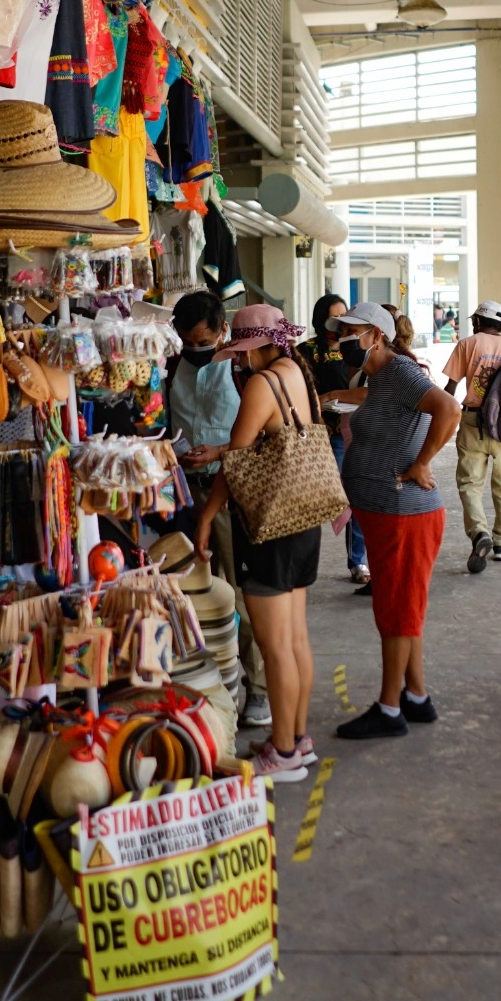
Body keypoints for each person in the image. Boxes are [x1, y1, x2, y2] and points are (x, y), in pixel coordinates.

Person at [196, 305, 322, 782]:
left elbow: (237, 459)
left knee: (274, 649)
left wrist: (207, 517)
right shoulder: (296, 373)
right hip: (302, 520)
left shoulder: (260, 384)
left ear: (257, 347)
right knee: (295, 640)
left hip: (270, 527)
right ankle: (295, 739)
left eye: (242, 353)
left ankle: (284, 752)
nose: (238, 362)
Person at [331, 303, 461, 740]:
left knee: (396, 613)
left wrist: (424, 462)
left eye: (351, 331)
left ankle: (389, 708)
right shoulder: (378, 378)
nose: (343, 339)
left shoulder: (402, 372)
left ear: (376, 335)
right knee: (404, 608)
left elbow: (449, 409)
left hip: (404, 512)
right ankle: (416, 696)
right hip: (385, 512)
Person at [169, 290, 270, 728]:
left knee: (242, 597)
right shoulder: (170, 368)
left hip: (232, 494)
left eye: (203, 339)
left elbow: (268, 434)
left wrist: (218, 453)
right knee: (193, 598)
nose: (196, 349)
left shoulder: (243, 370)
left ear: (222, 331)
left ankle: (260, 690)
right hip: (183, 496)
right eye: (188, 341)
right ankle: (210, 690)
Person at [443, 299, 501, 572]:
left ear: (478, 322)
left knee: (470, 483)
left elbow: (450, 386)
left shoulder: (467, 344)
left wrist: (438, 416)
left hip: (473, 421)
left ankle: (479, 533)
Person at [299, 294, 370, 584]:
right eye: (334, 317)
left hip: (352, 429)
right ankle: (303, 561)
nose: (340, 323)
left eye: (345, 316)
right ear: (321, 320)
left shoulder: (355, 350)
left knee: (354, 494)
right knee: (316, 496)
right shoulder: (306, 351)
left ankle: (358, 561)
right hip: (320, 431)